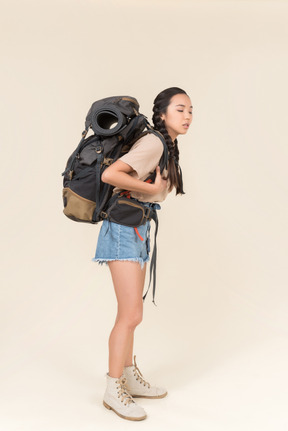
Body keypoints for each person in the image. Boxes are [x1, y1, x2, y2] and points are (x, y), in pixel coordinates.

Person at [93, 87, 193, 421]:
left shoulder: (168, 146)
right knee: (130, 314)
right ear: (162, 114)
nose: (188, 116)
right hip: (122, 229)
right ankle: (113, 388)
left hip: (136, 228)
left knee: (132, 313)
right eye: (180, 110)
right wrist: (152, 189)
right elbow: (111, 175)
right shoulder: (154, 143)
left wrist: (152, 193)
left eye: (191, 111)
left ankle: (128, 376)